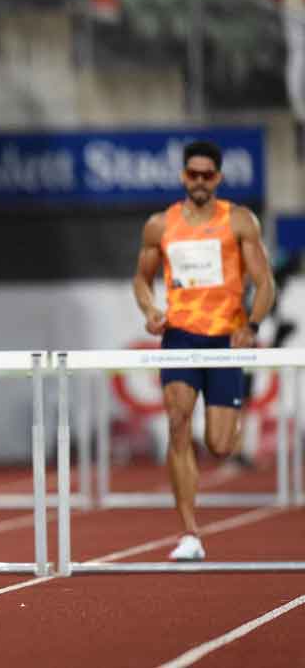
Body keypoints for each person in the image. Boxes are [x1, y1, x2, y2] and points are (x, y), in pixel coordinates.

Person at [133, 140, 274, 561]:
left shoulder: (239, 221)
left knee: (219, 445)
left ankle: (228, 418)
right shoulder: (160, 225)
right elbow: (141, 278)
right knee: (177, 423)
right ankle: (189, 533)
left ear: (218, 178)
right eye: (192, 174)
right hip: (180, 335)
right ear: (182, 177)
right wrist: (150, 309)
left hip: (226, 337)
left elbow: (264, 282)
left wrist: (251, 325)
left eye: (206, 175)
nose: (198, 181)